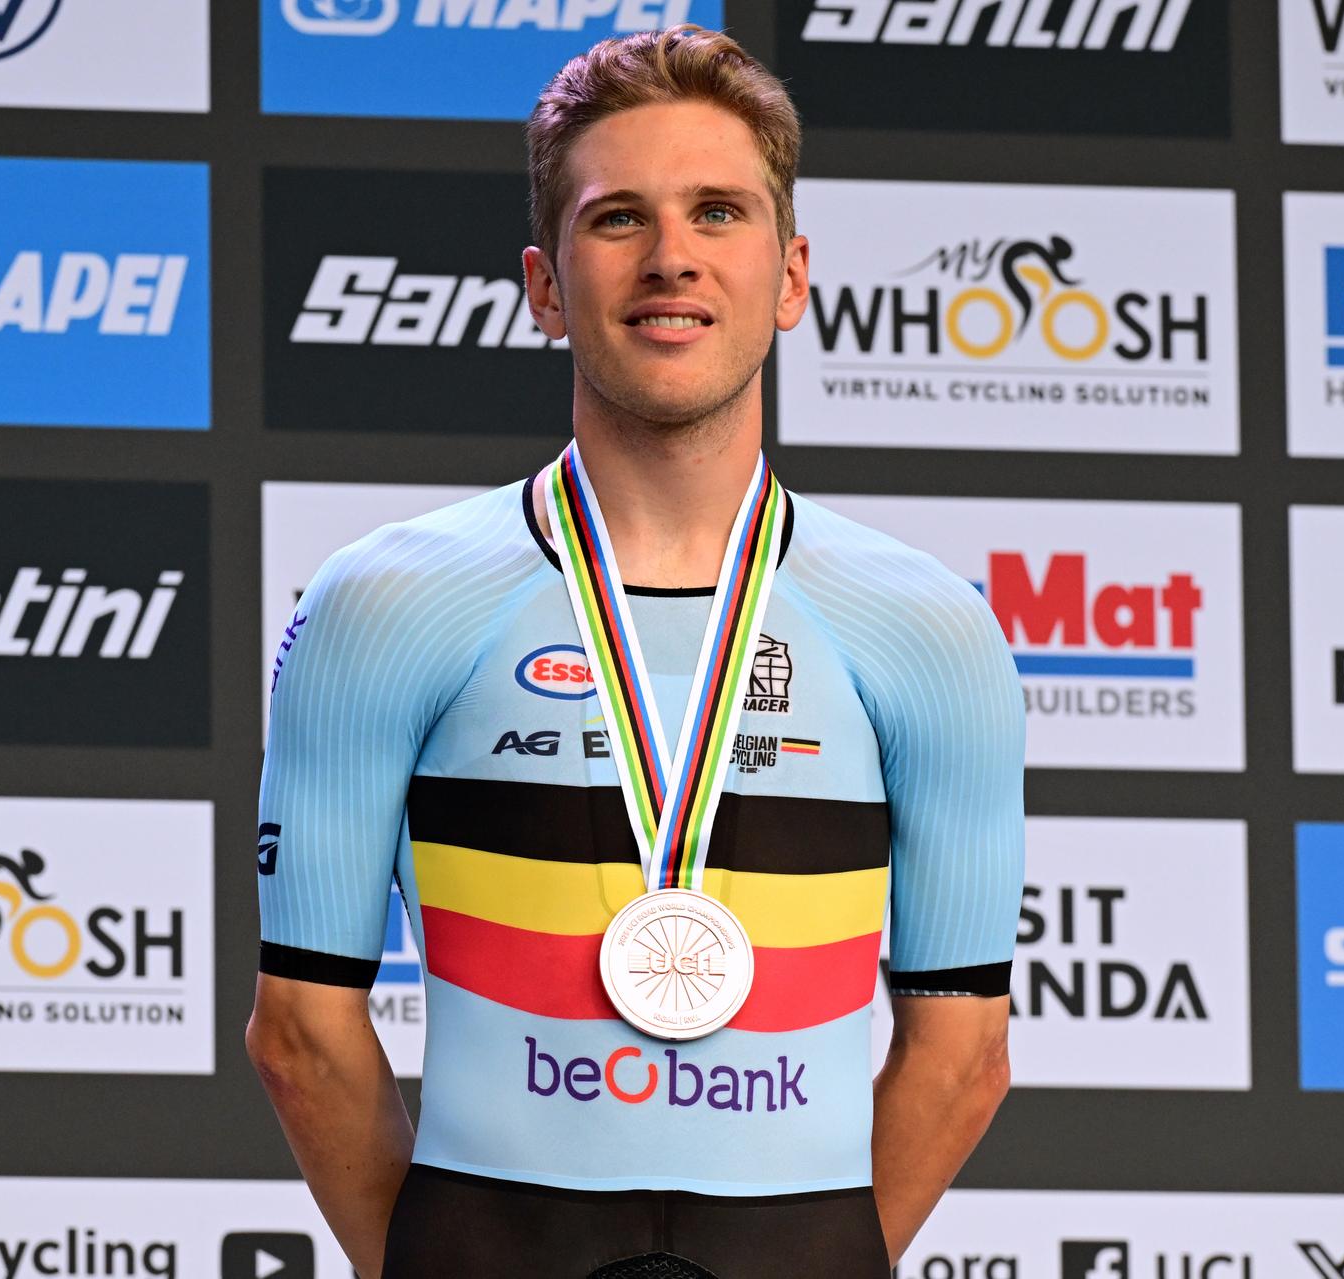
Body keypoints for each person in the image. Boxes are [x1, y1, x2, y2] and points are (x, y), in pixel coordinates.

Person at [245, 26, 1026, 1278]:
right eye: (618, 219)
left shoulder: (926, 627)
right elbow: (299, 1030)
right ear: (545, 286)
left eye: (719, 211)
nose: (672, 256)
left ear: (791, 274)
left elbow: (964, 1050)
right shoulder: (383, 602)